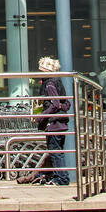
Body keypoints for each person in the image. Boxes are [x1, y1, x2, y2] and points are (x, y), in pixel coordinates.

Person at [19, 56, 70, 186]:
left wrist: (41, 116)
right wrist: (60, 106)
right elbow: (66, 104)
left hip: (53, 123)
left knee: (55, 152)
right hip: (61, 122)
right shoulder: (58, 83)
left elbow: (54, 103)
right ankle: (59, 176)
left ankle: (61, 178)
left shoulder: (49, 84)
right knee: (58, 151)